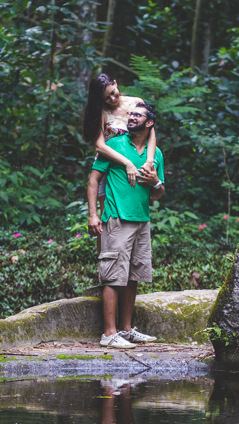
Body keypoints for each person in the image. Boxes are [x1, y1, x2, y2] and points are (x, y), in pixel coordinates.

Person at [86, 103, 165, 349]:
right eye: (130, 114)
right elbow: (93, 180)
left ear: (149, 123)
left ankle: (126, 330)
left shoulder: (156, 154)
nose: (131, 117)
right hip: (117, 218)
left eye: (137, 115)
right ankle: (109, 334)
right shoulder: (114, 146)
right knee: (112, 275)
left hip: (142, 220)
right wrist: (93, 215)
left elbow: (158, 194)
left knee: (133, 277)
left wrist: (156, 182)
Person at [81, 73, 158, 208]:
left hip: (137, 162)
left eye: (113, 92)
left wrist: (149, 161)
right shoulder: (102, 112)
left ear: (115, 83)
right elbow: (99, 146)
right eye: (106, 98)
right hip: (110, 163)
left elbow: (150, 132)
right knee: (108, 210)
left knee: (134, 206)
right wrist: (127, 163)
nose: (112, 98)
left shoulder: (136, 103)